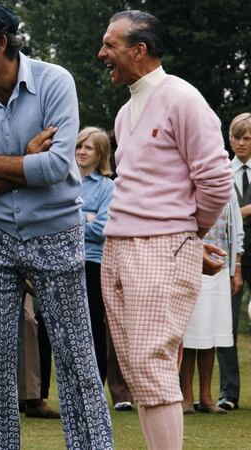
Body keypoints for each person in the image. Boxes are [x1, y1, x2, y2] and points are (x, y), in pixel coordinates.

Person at [0, 3, 113, 448]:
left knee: (77, 358)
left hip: (56, 231)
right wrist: (24, 157)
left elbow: (57, 166)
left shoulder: (55, 82)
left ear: (1, 42)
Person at [98, 10, 233, 449]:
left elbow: (215, 180)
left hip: (162, 246)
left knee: (150, 363)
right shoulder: (124, 112)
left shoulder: (184, 99)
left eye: (110, 45)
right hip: (116, 247)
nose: (102, 54)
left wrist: (187, 235)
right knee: (138, 368)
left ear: (139, 50)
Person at [74, 127, 134, 412]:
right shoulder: (63, 181)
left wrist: (75, 222)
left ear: (101, 155)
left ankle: (96, 388)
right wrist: (86, 216)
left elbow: (102, 228)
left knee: (94, 327)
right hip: (63, 262)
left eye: (89, 148)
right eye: (79, 146)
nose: (82, 151)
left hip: (94, 263)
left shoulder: (108, 187)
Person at [179, 189, 242, 414]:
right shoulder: (184, 183)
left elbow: (235, 229)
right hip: (188, 265)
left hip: (218, 267)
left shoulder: (226, 188)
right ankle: (186, 397)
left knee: (211, 335)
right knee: (188, 335)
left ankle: (206, 398)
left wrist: (237, 268)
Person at [219, 111, 251, 411]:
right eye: (236, 137)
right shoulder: (222, 173)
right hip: (233, 255)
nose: (240, 143)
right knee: (226, 324)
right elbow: (223, 216)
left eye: (247, 138)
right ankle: (229, 393)